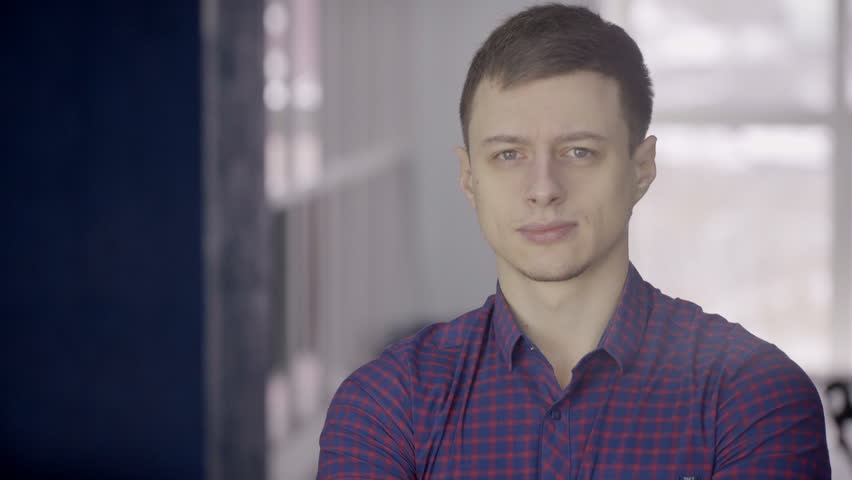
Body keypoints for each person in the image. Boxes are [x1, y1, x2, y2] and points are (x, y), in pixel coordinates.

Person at [317, 4, 831, 479]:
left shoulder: (756, 396)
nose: (543, 189)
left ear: (641, 168)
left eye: (579, 152)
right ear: (469, 177)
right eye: (508, 155)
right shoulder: (384, 405)